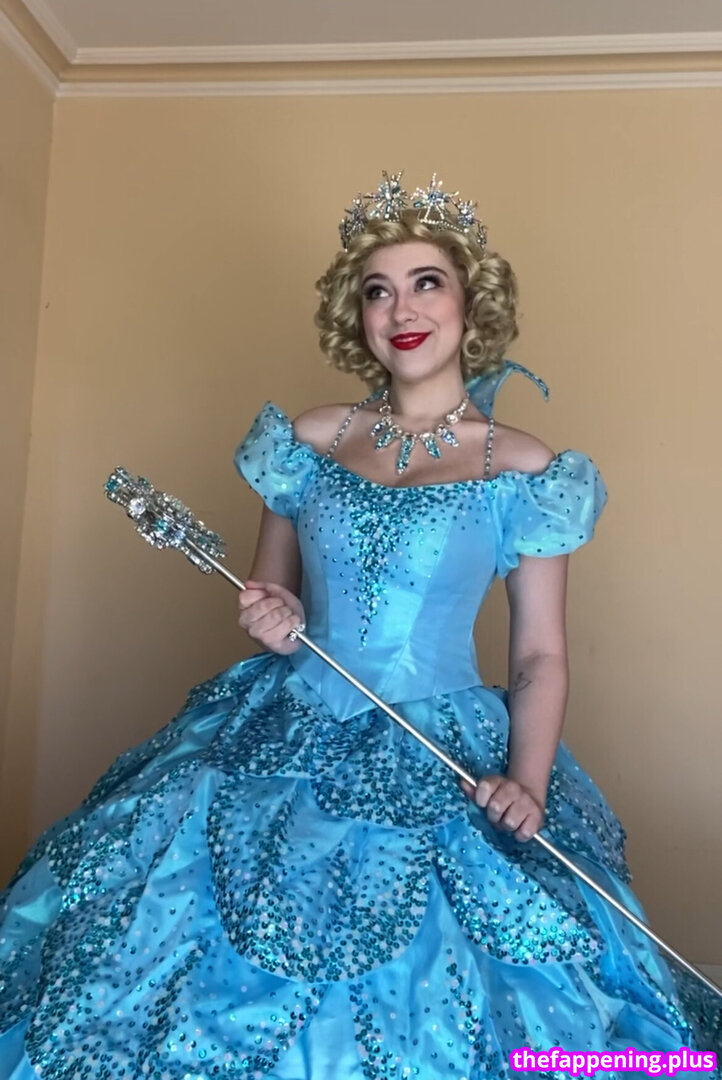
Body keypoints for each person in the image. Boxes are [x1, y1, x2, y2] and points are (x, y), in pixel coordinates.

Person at [0, 172, 718, 1079]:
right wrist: (273, 617)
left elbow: (539, 655)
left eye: (426, 283)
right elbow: (270, 596)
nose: (401, 309)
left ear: (470, 302)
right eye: (378, 290)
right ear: (359, 313)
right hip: (286, 725)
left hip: (447, 742)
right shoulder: (310, 439)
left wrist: (527, 784)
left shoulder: (525, 468)